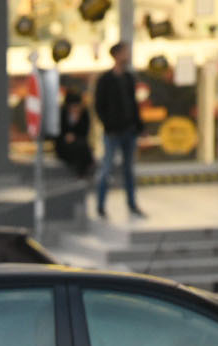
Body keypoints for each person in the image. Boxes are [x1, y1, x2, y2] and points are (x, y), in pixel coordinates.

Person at [93, 42, 145, 219]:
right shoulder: (105, 79)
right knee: (106, 169)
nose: (127, 55)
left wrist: (138, 125)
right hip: (112, 132)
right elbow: (99, 106)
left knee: (128, 170)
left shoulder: (129, 78)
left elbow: (133, 103)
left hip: (128, 130)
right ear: (116, 55)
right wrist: (109, 124)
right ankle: (100, 206)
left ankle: (132, 204)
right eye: (125, 52)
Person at [55, 86, 95, 180]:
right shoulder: (62, 114)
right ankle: (87, 167)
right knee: (79, 148)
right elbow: (58, 133)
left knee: (80, 146)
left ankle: (83, 172)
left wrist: (77, 122)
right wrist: (66, 136)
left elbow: (85, 132)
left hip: (79, 143)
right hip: (64, 145)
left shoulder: (84, 114)